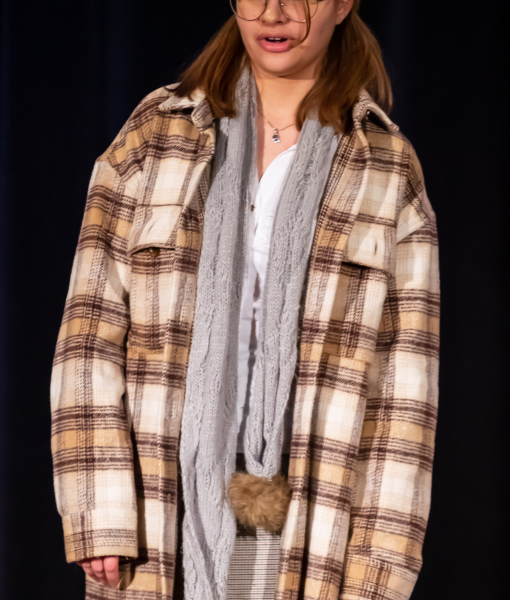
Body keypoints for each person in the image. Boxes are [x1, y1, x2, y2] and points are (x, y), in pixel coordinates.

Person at [50, 0, 440, 599]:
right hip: (161, 511)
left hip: (311, 519)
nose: (274, 14)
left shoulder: (384, 164)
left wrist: (379, 574)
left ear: (343, 5)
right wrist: (98, 508)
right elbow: (89, 329)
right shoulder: (157, 135)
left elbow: (404, 392)